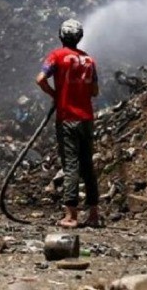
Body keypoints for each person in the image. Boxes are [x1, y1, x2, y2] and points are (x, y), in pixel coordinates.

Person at [35, 19, 100, 228]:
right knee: (88, 166)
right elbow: (95, 91)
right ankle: (93, 215)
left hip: (68, 118)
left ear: (61, 36)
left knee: (71, 165)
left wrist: (56, 94)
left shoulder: (57, 56)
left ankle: (71, 216)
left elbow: (40, 79)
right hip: (87, 119)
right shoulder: (89, 61)